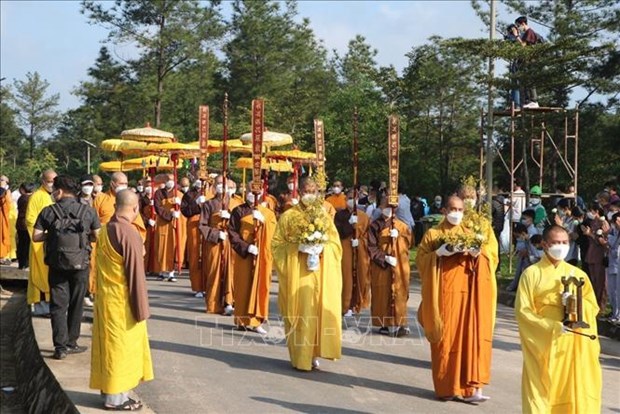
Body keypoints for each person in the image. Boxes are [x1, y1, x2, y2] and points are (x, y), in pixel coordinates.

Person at [416, 195, 498, 402]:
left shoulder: (472, 233)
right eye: (453, 208)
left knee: (470, 339)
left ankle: (470, 389)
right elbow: (421, 260)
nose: (457, 213)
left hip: (469, 297)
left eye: (460, 209)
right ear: (444, 210)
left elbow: (491, 259)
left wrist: (477, 254)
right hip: (444, 296)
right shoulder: (434, 234)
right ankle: (446, 387)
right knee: (446, 342)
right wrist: (439, 254)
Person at [515, 225, 602, 413]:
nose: (561, 246)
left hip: (572, 345)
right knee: (540, 395)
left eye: (565, 242)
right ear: (545, 245)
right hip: (544, 344)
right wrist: (551, 326)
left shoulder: (578, 275)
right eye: (556, 242)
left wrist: (575, 303)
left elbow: (592, 308)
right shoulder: (531, 274)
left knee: (572, 391)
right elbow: (524, 312)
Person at [90, 189, 153, 411]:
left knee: (108, 348)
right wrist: (142, 309)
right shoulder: (129, 232)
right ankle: (115, 400)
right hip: (123, 303)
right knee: (120, 350)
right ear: (135, 208)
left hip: (106, 299)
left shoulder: (107, 228)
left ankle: (110, 392)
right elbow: (136, 275)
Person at [273, 177, 342, 371]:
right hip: (298, 273)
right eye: (306, 190)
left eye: (314, 190)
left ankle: (313, 353)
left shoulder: (323, 216)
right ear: (300, 192)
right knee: (302, 313)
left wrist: (321, 249)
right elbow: (276, 246)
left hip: (319, 271)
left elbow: (336, 245)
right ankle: (300, 356)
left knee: (317, 312)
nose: (309, 194)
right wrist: (298, 248)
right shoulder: (289, 217)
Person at [32, 175, 101, 360]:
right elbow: (98, 236)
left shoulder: (48, 211)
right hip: (81, 265)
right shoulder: (88, 212)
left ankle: (60, 347)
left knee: (58, 305)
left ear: (60, 191)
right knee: (77, 303)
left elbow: (36, 237)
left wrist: (53, 235)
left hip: (57, 264)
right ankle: (72, 342)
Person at [228, 185, 277, 334]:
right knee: (243, 286)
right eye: (250, 191)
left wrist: (264, 222)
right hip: (245, 255)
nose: (252, 194)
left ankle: (257, 322)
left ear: (262, 193)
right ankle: (241, 320)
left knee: (260, 287)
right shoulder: (238, 211)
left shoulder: (268, 214)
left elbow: (275, 235)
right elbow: (232, 233)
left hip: (262, 255)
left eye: (256, 192)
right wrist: (246, 247)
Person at [367, 194, 412, 336]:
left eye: (392, 207)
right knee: (382, 294)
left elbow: (410, 243)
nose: (389, 209)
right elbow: (371, 246)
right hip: (382, 265)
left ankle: (400, 323)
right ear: (380, 207)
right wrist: (384, 258)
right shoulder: (375, 225)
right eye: (386, 206)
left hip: (399, 265)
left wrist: (399, 236)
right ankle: (385, 324)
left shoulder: (402, 226)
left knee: (399, 292)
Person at [198, 176, 242, 314]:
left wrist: (230, 217)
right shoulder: (208, 204)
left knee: (231, 271)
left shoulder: (237, 204)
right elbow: (202, 225)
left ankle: (229, 301)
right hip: (214, 242)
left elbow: (242, 224)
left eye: (226, 186)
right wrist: (216, 234)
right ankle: (213, 304)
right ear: (214, 187)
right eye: (219, 185)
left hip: (231, 241)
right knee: (214, 272)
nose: (223, 188)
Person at [334, 189, 371, 316]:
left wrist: (360, 241)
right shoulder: (339, 215)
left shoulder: (364, 216)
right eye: (349, 198)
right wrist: (350, 225)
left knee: (360, 274)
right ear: (345, 200)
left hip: (359, 248)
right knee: (346, 276)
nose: (351, 200)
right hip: (345, 247)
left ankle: (357, 303)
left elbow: (368, 235)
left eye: (354, 198)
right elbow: (339, 233)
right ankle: (346, 305)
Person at [26, 169, 57, 315]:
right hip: (40, 244)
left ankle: (52, 306)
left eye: (54, 181)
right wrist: (44, 234)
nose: (52, 184)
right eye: (50, 181)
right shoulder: (37, 196)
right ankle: (41, 308)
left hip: (53, 244)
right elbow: (30, 220)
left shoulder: (55, 196)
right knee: (40, 275)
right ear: (43, 181)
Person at [153, 173, 185, 282]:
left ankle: (171, 273)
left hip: (174, 225)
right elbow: (158, 207)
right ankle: (161, 271)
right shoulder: (158, 193)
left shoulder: (179, 194)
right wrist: (170, 213)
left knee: (173, 247)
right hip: (163, 223)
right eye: (167, 179)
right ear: (164, 181)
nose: (169, 181)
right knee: (161, 247)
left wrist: (179, 205)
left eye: (172, 179)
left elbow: (185, 208)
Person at [181, 177, 210, 297]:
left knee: (208, 256)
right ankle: (198, 287)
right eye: (199, 178)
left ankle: (209, 286)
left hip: (208, 225)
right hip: (194, 224)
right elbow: (185, 210)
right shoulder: (189, 194)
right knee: (195, 255)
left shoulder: (212, 192)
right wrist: (195, 204)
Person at [582, 205, 609, 313]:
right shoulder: (592, 222)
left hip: (599, 255)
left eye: (591, 210)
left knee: (600, 283)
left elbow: (602, 241)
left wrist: (590, 234)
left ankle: (601, 307)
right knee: (592, 281)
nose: (589, 213)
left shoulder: (604, 223)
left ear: (597, 211)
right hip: (591, 254)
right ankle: (593, 305)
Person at [515, 16, 541, 108]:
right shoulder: (526, 33)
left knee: (530, 81)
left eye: (518, 26)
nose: (518, 28)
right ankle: (529, 100)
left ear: (523, 24)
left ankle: (533, 100)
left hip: (529, 60)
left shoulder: (529, 32)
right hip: (526, 60)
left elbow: (523, 45)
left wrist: (517, 36)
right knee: (526, 81)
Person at [16, 183, 35, 270]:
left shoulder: (22, 198)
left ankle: (22, 264)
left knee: (21, 244)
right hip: (27, 224)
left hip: (21, 224)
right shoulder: (31, 198)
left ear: (23, 189)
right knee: (27, 245)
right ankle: (26, 264)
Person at [606, 212, 620, 323]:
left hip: (617, 264)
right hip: (613, 264)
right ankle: (615, 314)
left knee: (617, 292)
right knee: (612, 291)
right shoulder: (613, 231)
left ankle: (617, 315)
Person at [504, 23, 523, 108]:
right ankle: (514, 104)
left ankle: (517, 104)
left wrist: (516, 35)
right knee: (513, 85)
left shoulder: (520, 37)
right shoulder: (511, 38)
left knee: (517, 85)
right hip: (515, 62)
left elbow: (522, 46)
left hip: (520, 62)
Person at [0, 176, 12, 264]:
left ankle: (2, 256)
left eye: (2, 180)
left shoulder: (7, 191)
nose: (0, 181)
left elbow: (8, 205)